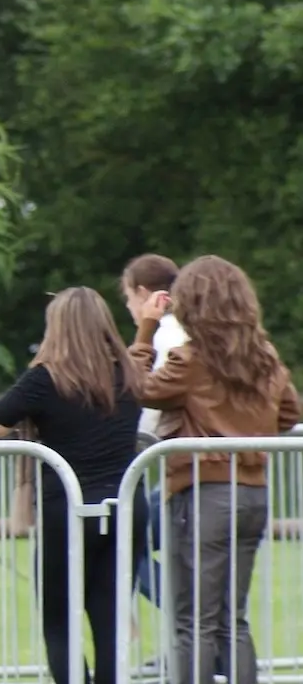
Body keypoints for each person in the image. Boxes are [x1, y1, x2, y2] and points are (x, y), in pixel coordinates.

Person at [127, 257, 299, 684]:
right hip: (253, 492)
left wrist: (145, 330)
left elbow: (138, 389)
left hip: (201, 492)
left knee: (191, 617)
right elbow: (289, 413)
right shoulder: (264, 356)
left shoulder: (190, 356)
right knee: (232, 615)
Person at [0, 287, 144, 684]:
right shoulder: (129, 372)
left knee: (61, 621)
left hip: (66, 511)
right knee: (111, 618)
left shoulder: (46, 379)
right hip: (125, 507)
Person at [121, 254, 187, 606]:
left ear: (144, 293)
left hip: (185, 466)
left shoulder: (165, 336)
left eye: (130, 298)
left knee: (126, 541)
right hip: (198, 465)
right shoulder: (190, 330)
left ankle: (184, 618)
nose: (130, 307)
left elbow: (144, 395)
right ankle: (188, 637)